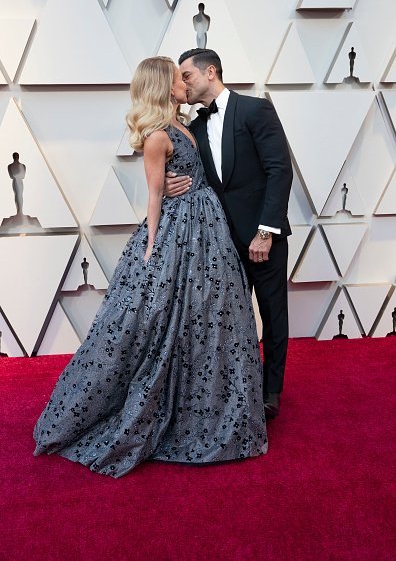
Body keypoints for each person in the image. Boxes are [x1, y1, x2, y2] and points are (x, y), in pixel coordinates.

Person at [33, 56, 267, 478]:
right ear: (163, 86)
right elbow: (154, 197)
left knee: (212, 318)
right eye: (178, 79)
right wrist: (153, 250)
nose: (184, 83)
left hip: (208, 229)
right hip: (179, 233)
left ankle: (213, 406)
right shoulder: (158, 136)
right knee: (157, 320)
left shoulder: (184, 127)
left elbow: (204, 171)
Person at [165, 49, 293, 418]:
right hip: (219, 240)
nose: (182, 84)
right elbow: (195, 176)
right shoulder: (196, 127)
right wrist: (170, 183)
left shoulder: (255, 110)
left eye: (186, 76)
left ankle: (270, 393)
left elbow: (279, 171)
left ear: (211, 72)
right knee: (228, 319)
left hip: (262, 237)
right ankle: (236, 389)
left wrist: (265, 232)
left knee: (272, 314)